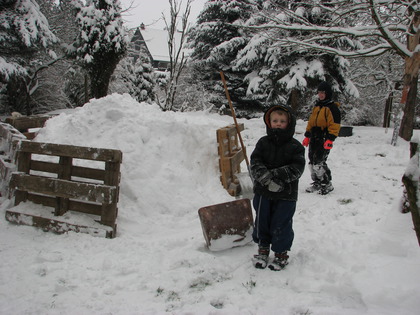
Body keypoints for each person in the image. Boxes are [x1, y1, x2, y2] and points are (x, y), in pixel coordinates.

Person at [250, 104, 305, 271]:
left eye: (282, 121)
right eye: (275, 120)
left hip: (286, 194)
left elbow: (297, 168)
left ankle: (281, 253)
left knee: (282, 222)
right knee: (262, 221)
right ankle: (263, 249)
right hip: (263, 192)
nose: (278, 124)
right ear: (269, 122)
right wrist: (265, 178)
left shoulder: (295, 146)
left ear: (289, 123)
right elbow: (255, 162)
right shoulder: (263, 142)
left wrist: (277, 177)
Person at [302, 81, 341, 195]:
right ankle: (317, 182)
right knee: (312, 161)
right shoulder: (317, 106)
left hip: (324, 137)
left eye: (323, 92)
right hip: (314, 137)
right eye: (319, 92)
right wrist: (307, 136)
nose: (320, 95)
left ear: (327, 93)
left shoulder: (332, 108)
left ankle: (326, 183)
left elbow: (335, 125)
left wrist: (330, 139)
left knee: (319, 161)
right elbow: (311, 122)